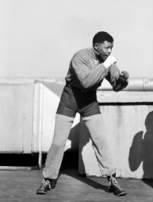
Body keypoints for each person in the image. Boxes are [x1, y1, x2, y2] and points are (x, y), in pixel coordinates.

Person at [36, 31, 128, 197]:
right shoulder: (80, 57)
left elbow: (116, 87)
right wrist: (106, 65)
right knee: (58, 142)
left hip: (89, 102)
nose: (109, 51)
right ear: (96, 46)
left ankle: (112, 179)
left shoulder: (107, 61)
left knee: (101, 140)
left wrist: (122, 80)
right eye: (107, 47)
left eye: (111, 48)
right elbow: (86, 82)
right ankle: (48, 179)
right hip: (70, 99)